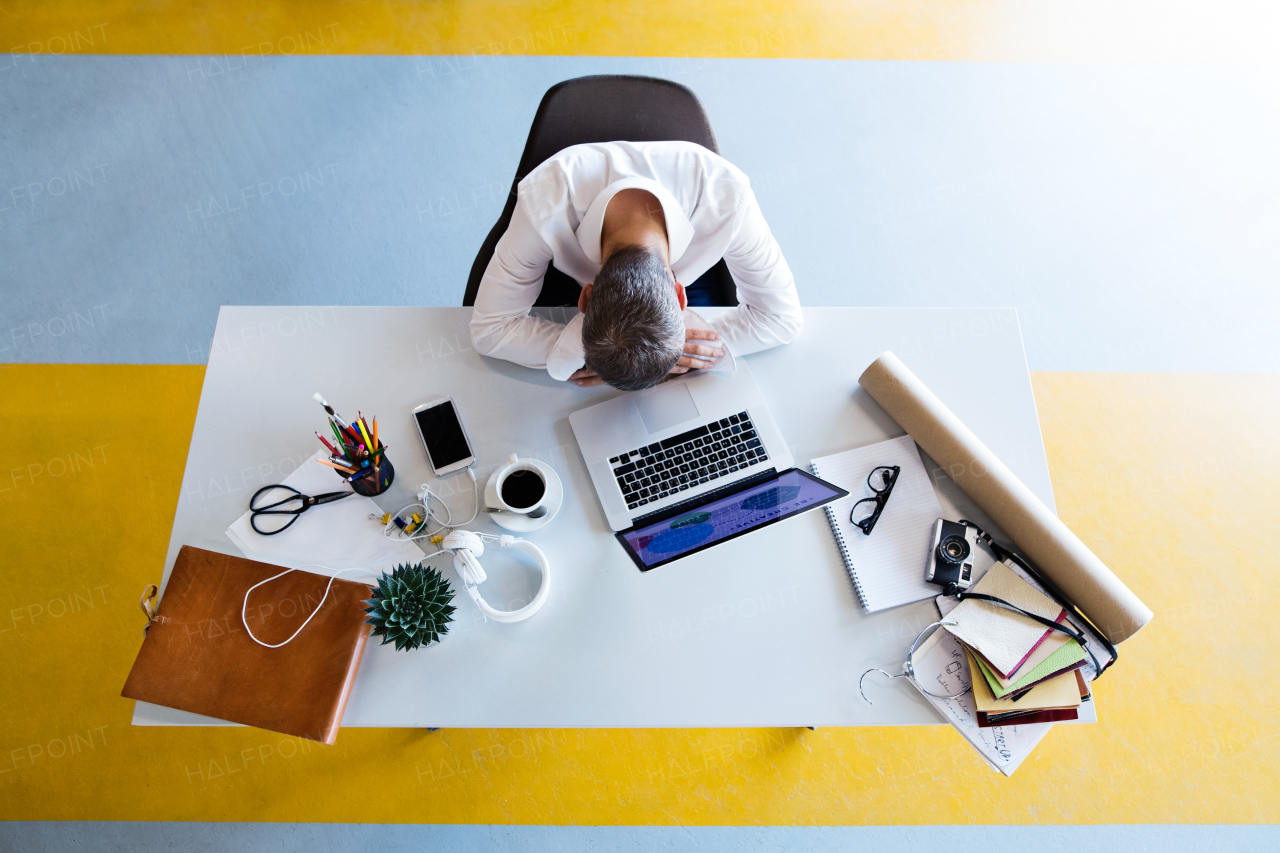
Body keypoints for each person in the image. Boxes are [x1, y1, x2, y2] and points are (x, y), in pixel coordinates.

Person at [469, 140, 802, 390]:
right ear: (681, 297)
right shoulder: (544, 204)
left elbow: (782, 319)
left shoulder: (729, 199)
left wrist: (665, 351)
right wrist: (609, 354)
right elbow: (489, 331)